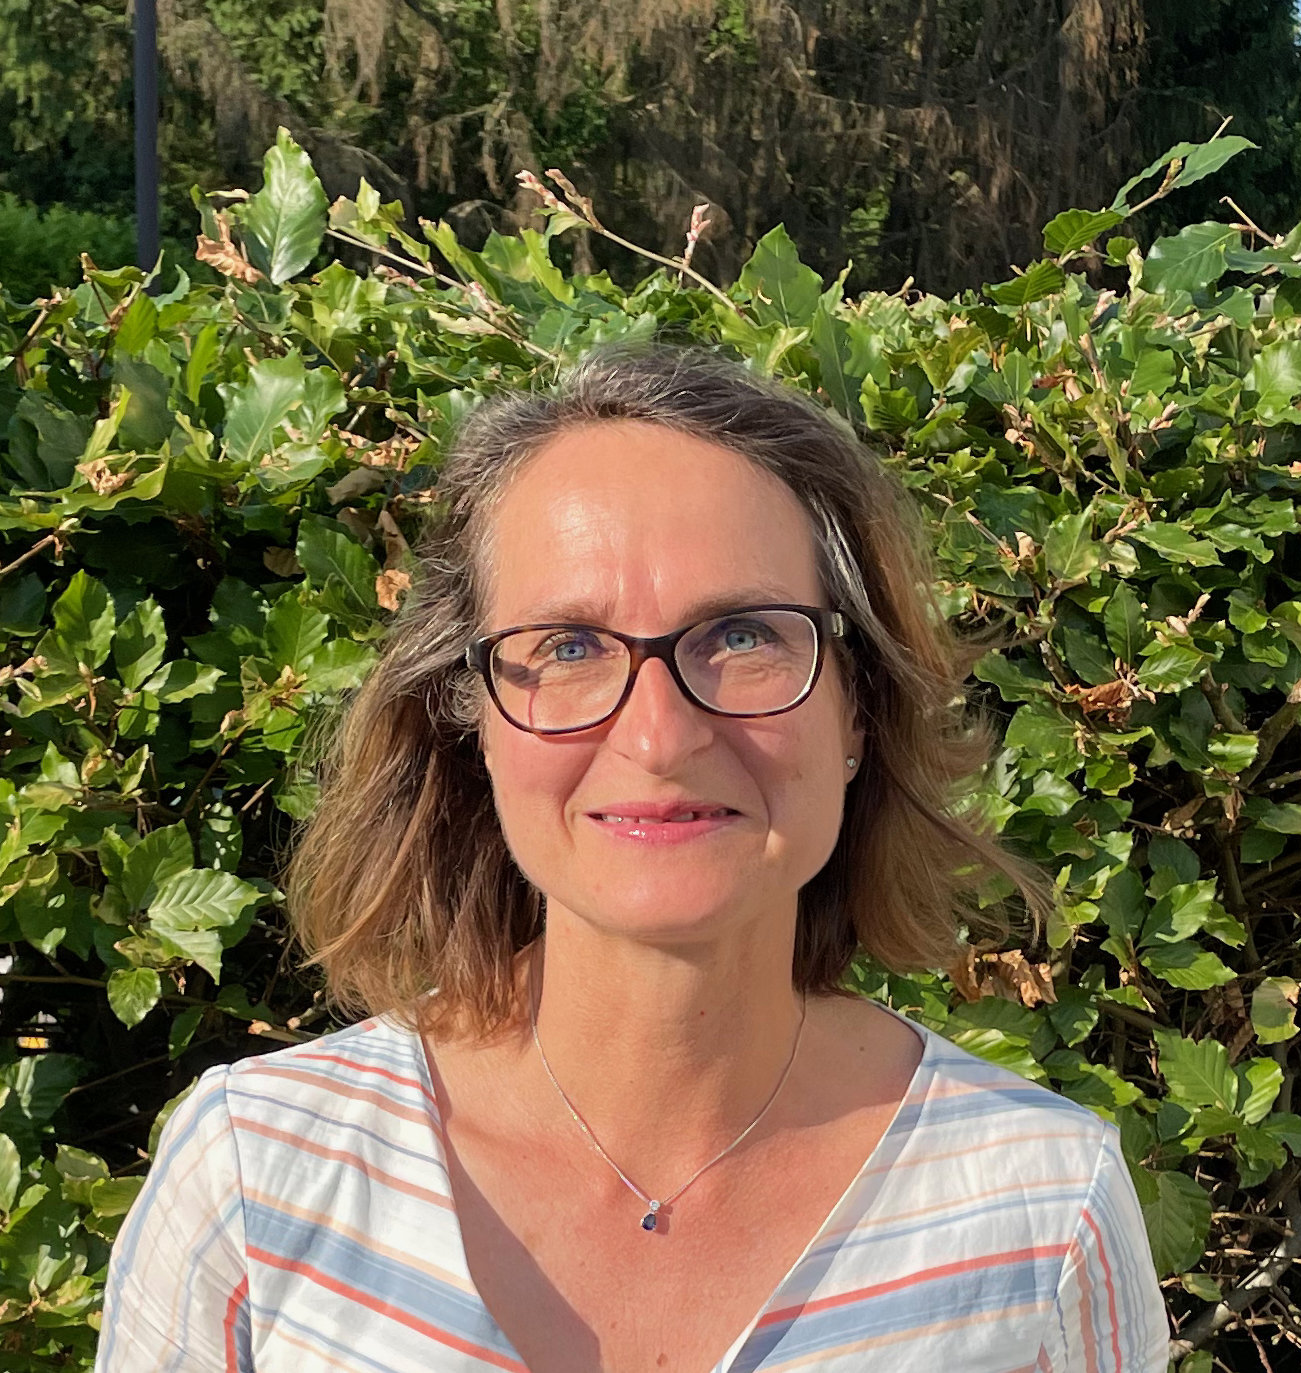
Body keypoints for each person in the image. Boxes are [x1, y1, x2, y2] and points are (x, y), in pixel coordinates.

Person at [95, 347, 1169, 1373]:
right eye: (566, 646)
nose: (658, 737)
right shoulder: (256, 1179)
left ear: (857, 709)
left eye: (742, 635)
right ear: (472, 719)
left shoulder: (1039, 1206)